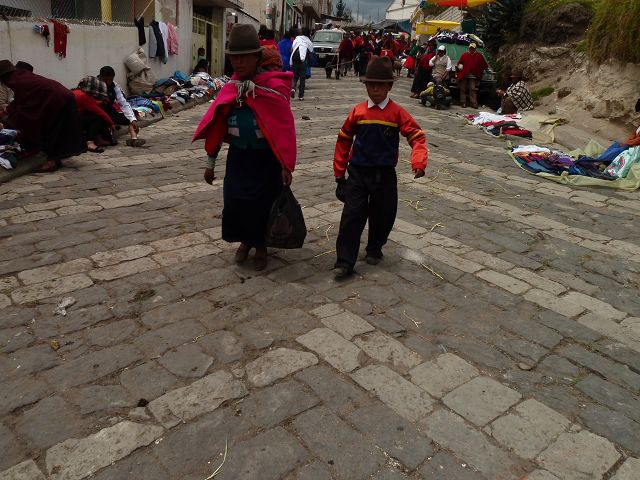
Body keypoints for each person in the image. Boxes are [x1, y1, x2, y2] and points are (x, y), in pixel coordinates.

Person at [193, 24, 296, 271]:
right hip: (239, 158)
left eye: (245, 57)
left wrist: (286, 165)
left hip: (266, 160)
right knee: (236, 201)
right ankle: (245, 241)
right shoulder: (230, 90)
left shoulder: (272, 88)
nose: (238, 63)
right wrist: (210, 164)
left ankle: (260, 245)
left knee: (263, 203)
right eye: (234, 58)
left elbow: (284, 129)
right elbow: (217, 127)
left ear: (257, 57)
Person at [332, 56, 428, 279]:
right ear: (365, 85)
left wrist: (419, 161)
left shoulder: (397, 113)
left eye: (380, 85)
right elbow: (344, 140)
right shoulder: (357, 112)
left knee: (384, 215)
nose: (375, 90)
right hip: (357, 173)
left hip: (384, 175)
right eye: (371, 85)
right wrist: (339, 173)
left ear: (389, 86)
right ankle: (344, 261)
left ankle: (375, 248)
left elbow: (417, 136)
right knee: (351, 216)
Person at [0, 59, 84, 172]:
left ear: (4, 76)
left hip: (58, 99)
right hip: (62, 96)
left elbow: (24, 102)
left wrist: (10, 115)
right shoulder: (20, 76)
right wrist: (9, 110)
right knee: (53, 128)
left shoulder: (16, 81)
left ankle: (51, 162)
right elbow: (21, 99)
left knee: (52, 129)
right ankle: (55, 159)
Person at [98, 66, 145, 147]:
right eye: (106, 80)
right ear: (101, 77)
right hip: (98, 112)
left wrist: (132, 119)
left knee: (130, 120)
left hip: (109, 110)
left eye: (111, 80)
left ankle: (134, 139)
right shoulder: (95, 84)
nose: (108, 82)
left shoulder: (114, 86)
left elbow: (123, 103)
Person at [73, 76, 115, 154]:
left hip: (75, 118)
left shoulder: (79, 92)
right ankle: (90, 142)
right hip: (73, 122)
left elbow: (92, 103)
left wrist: (102, 102)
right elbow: (99, 111)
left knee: (93, 115)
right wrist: (111, 124)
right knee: (96, 118)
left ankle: (98, 139)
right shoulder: (83, 96)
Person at [456, 42, 488, 108]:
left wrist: (486, 69)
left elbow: (484, 64)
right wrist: (459, 66)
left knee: (472, 89)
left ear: (475, 48)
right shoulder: (465, 55)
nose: (471, 49)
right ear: (469, 48)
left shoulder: (479, 55)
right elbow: (459, 63)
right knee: (463, 88)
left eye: (473, 48)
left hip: (473, 75)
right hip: (464, 74)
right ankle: (463, 102)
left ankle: (473, 103)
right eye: (470, 48)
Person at [290, 27, 313, 101]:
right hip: (302, 59)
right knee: (302, 78)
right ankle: (301, 95)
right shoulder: (308, 40)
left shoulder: (297, 38)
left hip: (294, 58)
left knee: (295, 76)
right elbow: (311, 50)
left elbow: (292, 48)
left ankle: (293, 88)